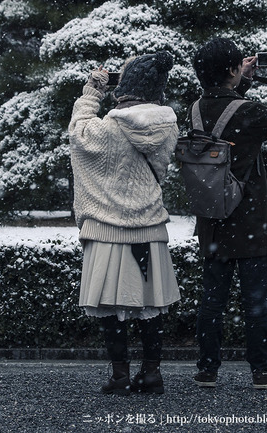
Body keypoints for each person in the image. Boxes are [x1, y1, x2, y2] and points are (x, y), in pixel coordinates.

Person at [189, 38, 267, 390]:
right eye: (239, 64)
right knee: (255, 301)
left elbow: (225, 115)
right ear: (230, 70)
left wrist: (243, 81)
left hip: (213, 218)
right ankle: (261, 370)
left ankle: (207, 368)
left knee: (212, 300)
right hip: (251, 218)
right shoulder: (250, 111)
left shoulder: (194, 108)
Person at [69, 51, 181, 396]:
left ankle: (119, 375)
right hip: (149, 226)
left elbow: (79, 133)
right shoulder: (167, 123)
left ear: (126, 87)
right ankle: (152, 373)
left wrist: (92, 93)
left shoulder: (111, 126)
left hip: (108, 228)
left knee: (110, 305)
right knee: (150, 303)